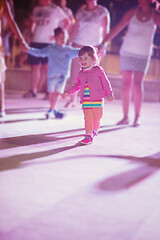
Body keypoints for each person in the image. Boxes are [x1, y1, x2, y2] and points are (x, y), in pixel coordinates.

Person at [100, 0, 160, 127]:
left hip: (143, 54)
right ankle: (125, 116)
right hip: (127, 51)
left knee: (138, 84)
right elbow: (118, 28)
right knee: (126, 85)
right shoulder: (132, 12)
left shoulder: (156, 15)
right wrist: (103, 42)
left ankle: (137, 117)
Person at [62, 46, 114, 145]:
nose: (83, 61)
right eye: (81, 58)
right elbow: (77, 85)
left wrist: (109, 94)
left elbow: (105, 82)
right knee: (88, 118)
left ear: (93, 59)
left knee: (97, 118)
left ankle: (95, 130)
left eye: (86, 58)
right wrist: (68, 92)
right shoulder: (81, 74)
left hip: (97, 100)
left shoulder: (98, 70)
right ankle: (88, 135)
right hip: (86, 101)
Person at [64, 0, 110, 108]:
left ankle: (93, 99)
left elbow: (105, 31)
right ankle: (72, 100)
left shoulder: (102, 12)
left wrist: (104, 46)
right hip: (78, 45)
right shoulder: (81, 11)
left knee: (93, 75)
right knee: (75, 73)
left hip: (94, 47)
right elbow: (76, 28)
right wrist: (69, 43)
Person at [27, 27, 79, 119]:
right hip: (51, 76)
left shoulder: (68, 50)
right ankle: (54, 110)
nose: (63, 39)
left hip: (62, 76)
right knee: (51, 93)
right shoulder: (50, 48)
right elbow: (38, 52)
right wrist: (28, 49)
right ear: (55, 37)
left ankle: (51, 110)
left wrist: (90, 49)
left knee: (57, 93)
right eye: (60, 37)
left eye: (64, 37)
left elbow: (79, 52)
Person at [23, 0, 69, 99]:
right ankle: (33, 90)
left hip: (49, 43)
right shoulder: (37, 9)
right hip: (36, 41)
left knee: (48, 68)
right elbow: (33, 22)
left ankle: (49, 91)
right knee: (35, 67)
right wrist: (31, 33)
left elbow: (67, 22)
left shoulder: (55, 9)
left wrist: (57, 35)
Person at [0, 0, 28, 118]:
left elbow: (11, 22)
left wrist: (21, 40)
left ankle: (1, 108)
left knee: (0, 79)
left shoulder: (2, 3)